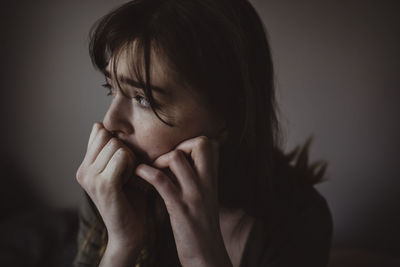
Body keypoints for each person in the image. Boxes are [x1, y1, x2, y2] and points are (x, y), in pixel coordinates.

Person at [73, 0, 333, 266]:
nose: (110, 122)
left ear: (230, 114)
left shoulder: (299, 220)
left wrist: (202, 257)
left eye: (144, 99)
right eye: (111, 88)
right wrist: (122, 245)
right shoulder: (110, 185)